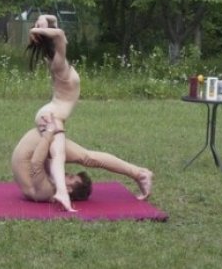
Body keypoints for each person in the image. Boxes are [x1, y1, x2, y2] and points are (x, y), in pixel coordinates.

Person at [11, 117, 153, 205]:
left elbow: (36, 162)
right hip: (37, 142)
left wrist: (48, 133)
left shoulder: (45, 191)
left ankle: (139, 174)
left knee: (87, 157)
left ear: (68, 189)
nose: (67, 173)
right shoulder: (47, 188)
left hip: (38, 142)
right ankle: (138, 173)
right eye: (70, 176)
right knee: (86, 157)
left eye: (70, 177)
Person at [27, 14, 81, 211]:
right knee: (58, 154)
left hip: (53, 113)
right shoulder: (59, 63)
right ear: (56, 43)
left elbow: (56, 27)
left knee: (57, 154)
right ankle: (61, 192)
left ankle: (59, 189)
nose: (65, 39)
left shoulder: (59, 58)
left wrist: (43, 18)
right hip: (51, 115)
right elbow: (58, 33)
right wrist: (35, 29)